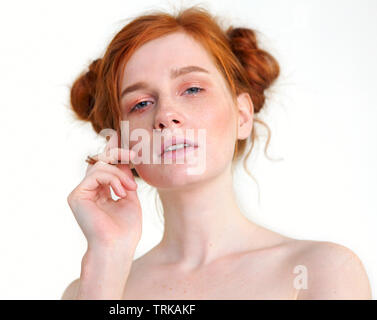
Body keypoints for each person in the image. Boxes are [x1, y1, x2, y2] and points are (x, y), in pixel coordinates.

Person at [61, 6, 372, 299]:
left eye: (192, 89)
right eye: (140, 103)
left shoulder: (322, 272)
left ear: (242, 116)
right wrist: (108, 258)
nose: (165, 115)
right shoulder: (92, 286)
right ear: (122, 143)